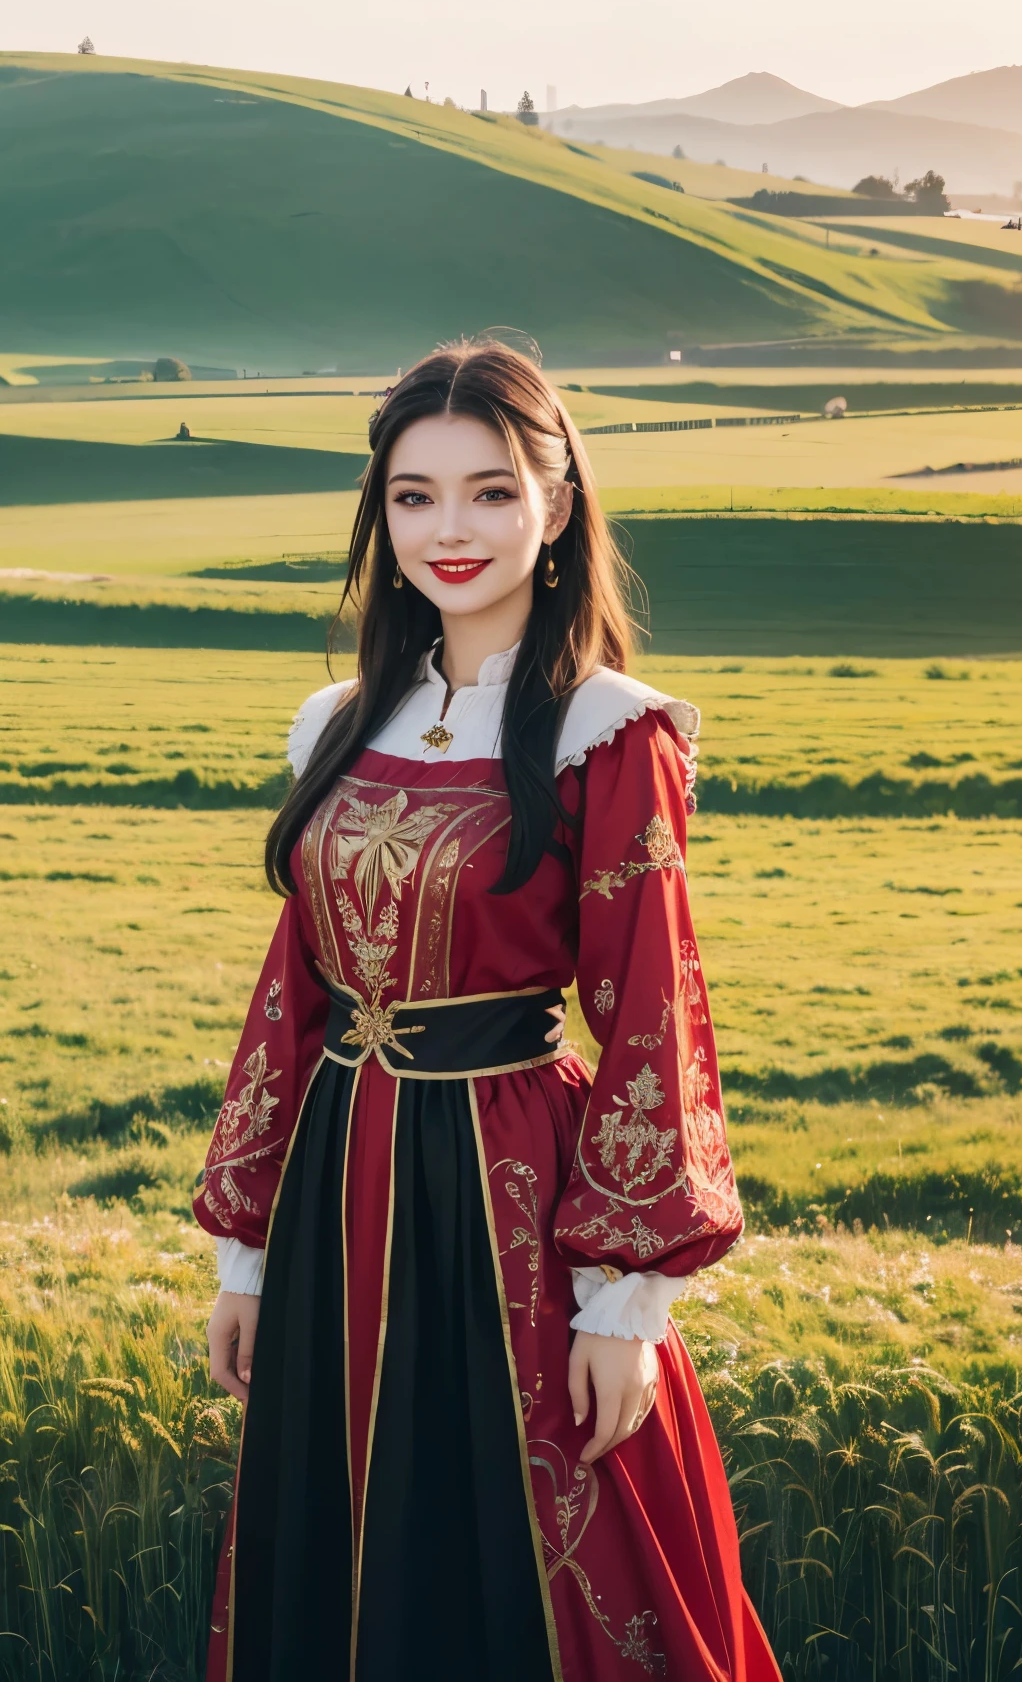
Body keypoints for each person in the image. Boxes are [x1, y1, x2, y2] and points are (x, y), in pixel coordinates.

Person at [197, 340, 781, 1682]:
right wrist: (244, 1252)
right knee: (336, 1541)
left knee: (539, 1547)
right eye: (413, 497)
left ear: (557, 504)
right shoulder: (340, 719)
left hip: (510, 1184)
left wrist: (627, 1303)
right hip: (335, 1184)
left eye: (489, 493)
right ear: (379, 513)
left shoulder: (606, 731)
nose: (448, 531)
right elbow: (295, 991)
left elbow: (652, 1017)